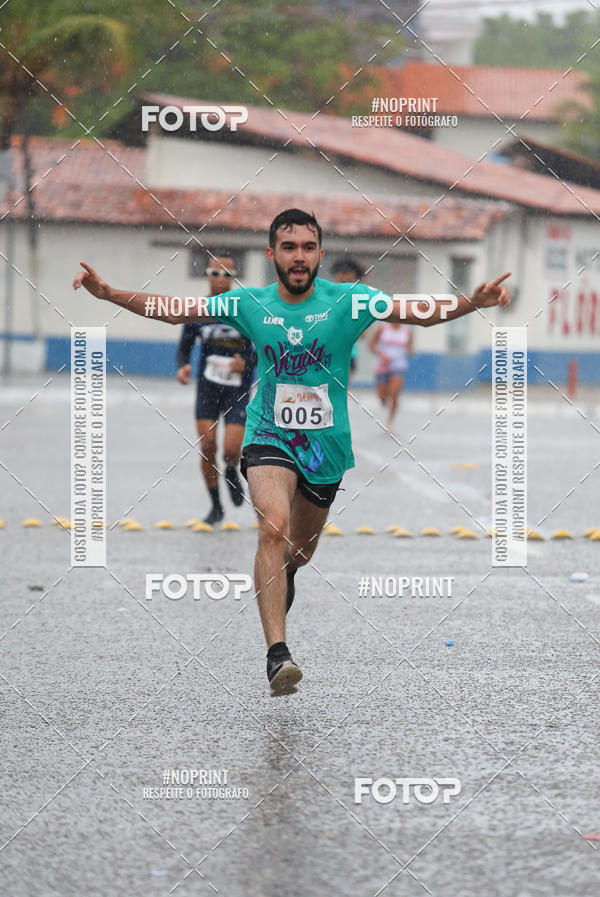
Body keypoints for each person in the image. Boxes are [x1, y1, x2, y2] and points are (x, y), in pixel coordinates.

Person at [73, 208, 511, 697]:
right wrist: (110, 294)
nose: (298, 257)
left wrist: (472, 303)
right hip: (269, 435)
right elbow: (177, 308)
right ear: (272, 255)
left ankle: (285, 575)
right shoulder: (249, 303)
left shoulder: (350, 300)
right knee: (272, 527)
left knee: (298, 551)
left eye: (307, 247)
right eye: (288, 247)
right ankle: (277, 653)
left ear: (319, 253)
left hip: (325, 448)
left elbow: (419, 312)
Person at [175, 255, 257, 524]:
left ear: (234, 278)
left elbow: (265, 347)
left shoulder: (246, 309)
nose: (220, 279)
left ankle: (232, 469)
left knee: (231, 449)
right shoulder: (198, 309)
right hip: (208, 387)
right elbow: (185, 347)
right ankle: (215, 506)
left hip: (238, 389)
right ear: (207, 276)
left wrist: (246, 362)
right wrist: (183, 366)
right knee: (208, 445)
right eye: (215, 273)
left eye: (227, 274)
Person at [368, 321, 413, 432]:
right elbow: (371, 345)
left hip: (399, 366)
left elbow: (410, 348)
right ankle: (384, 399)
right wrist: (381, 354)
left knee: (395, 393)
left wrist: (410, 351)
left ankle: (390, 421)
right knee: (382, 395)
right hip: (382, 365)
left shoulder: (407, 330)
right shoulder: (382, 328)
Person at [331, 258, 365, 382]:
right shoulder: (329, 295)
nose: (344, 277)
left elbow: (363, 333)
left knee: (342, 386)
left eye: (348, 273)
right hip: (328, 350)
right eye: (341, 273)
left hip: (349, 352)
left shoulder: (358, 298)